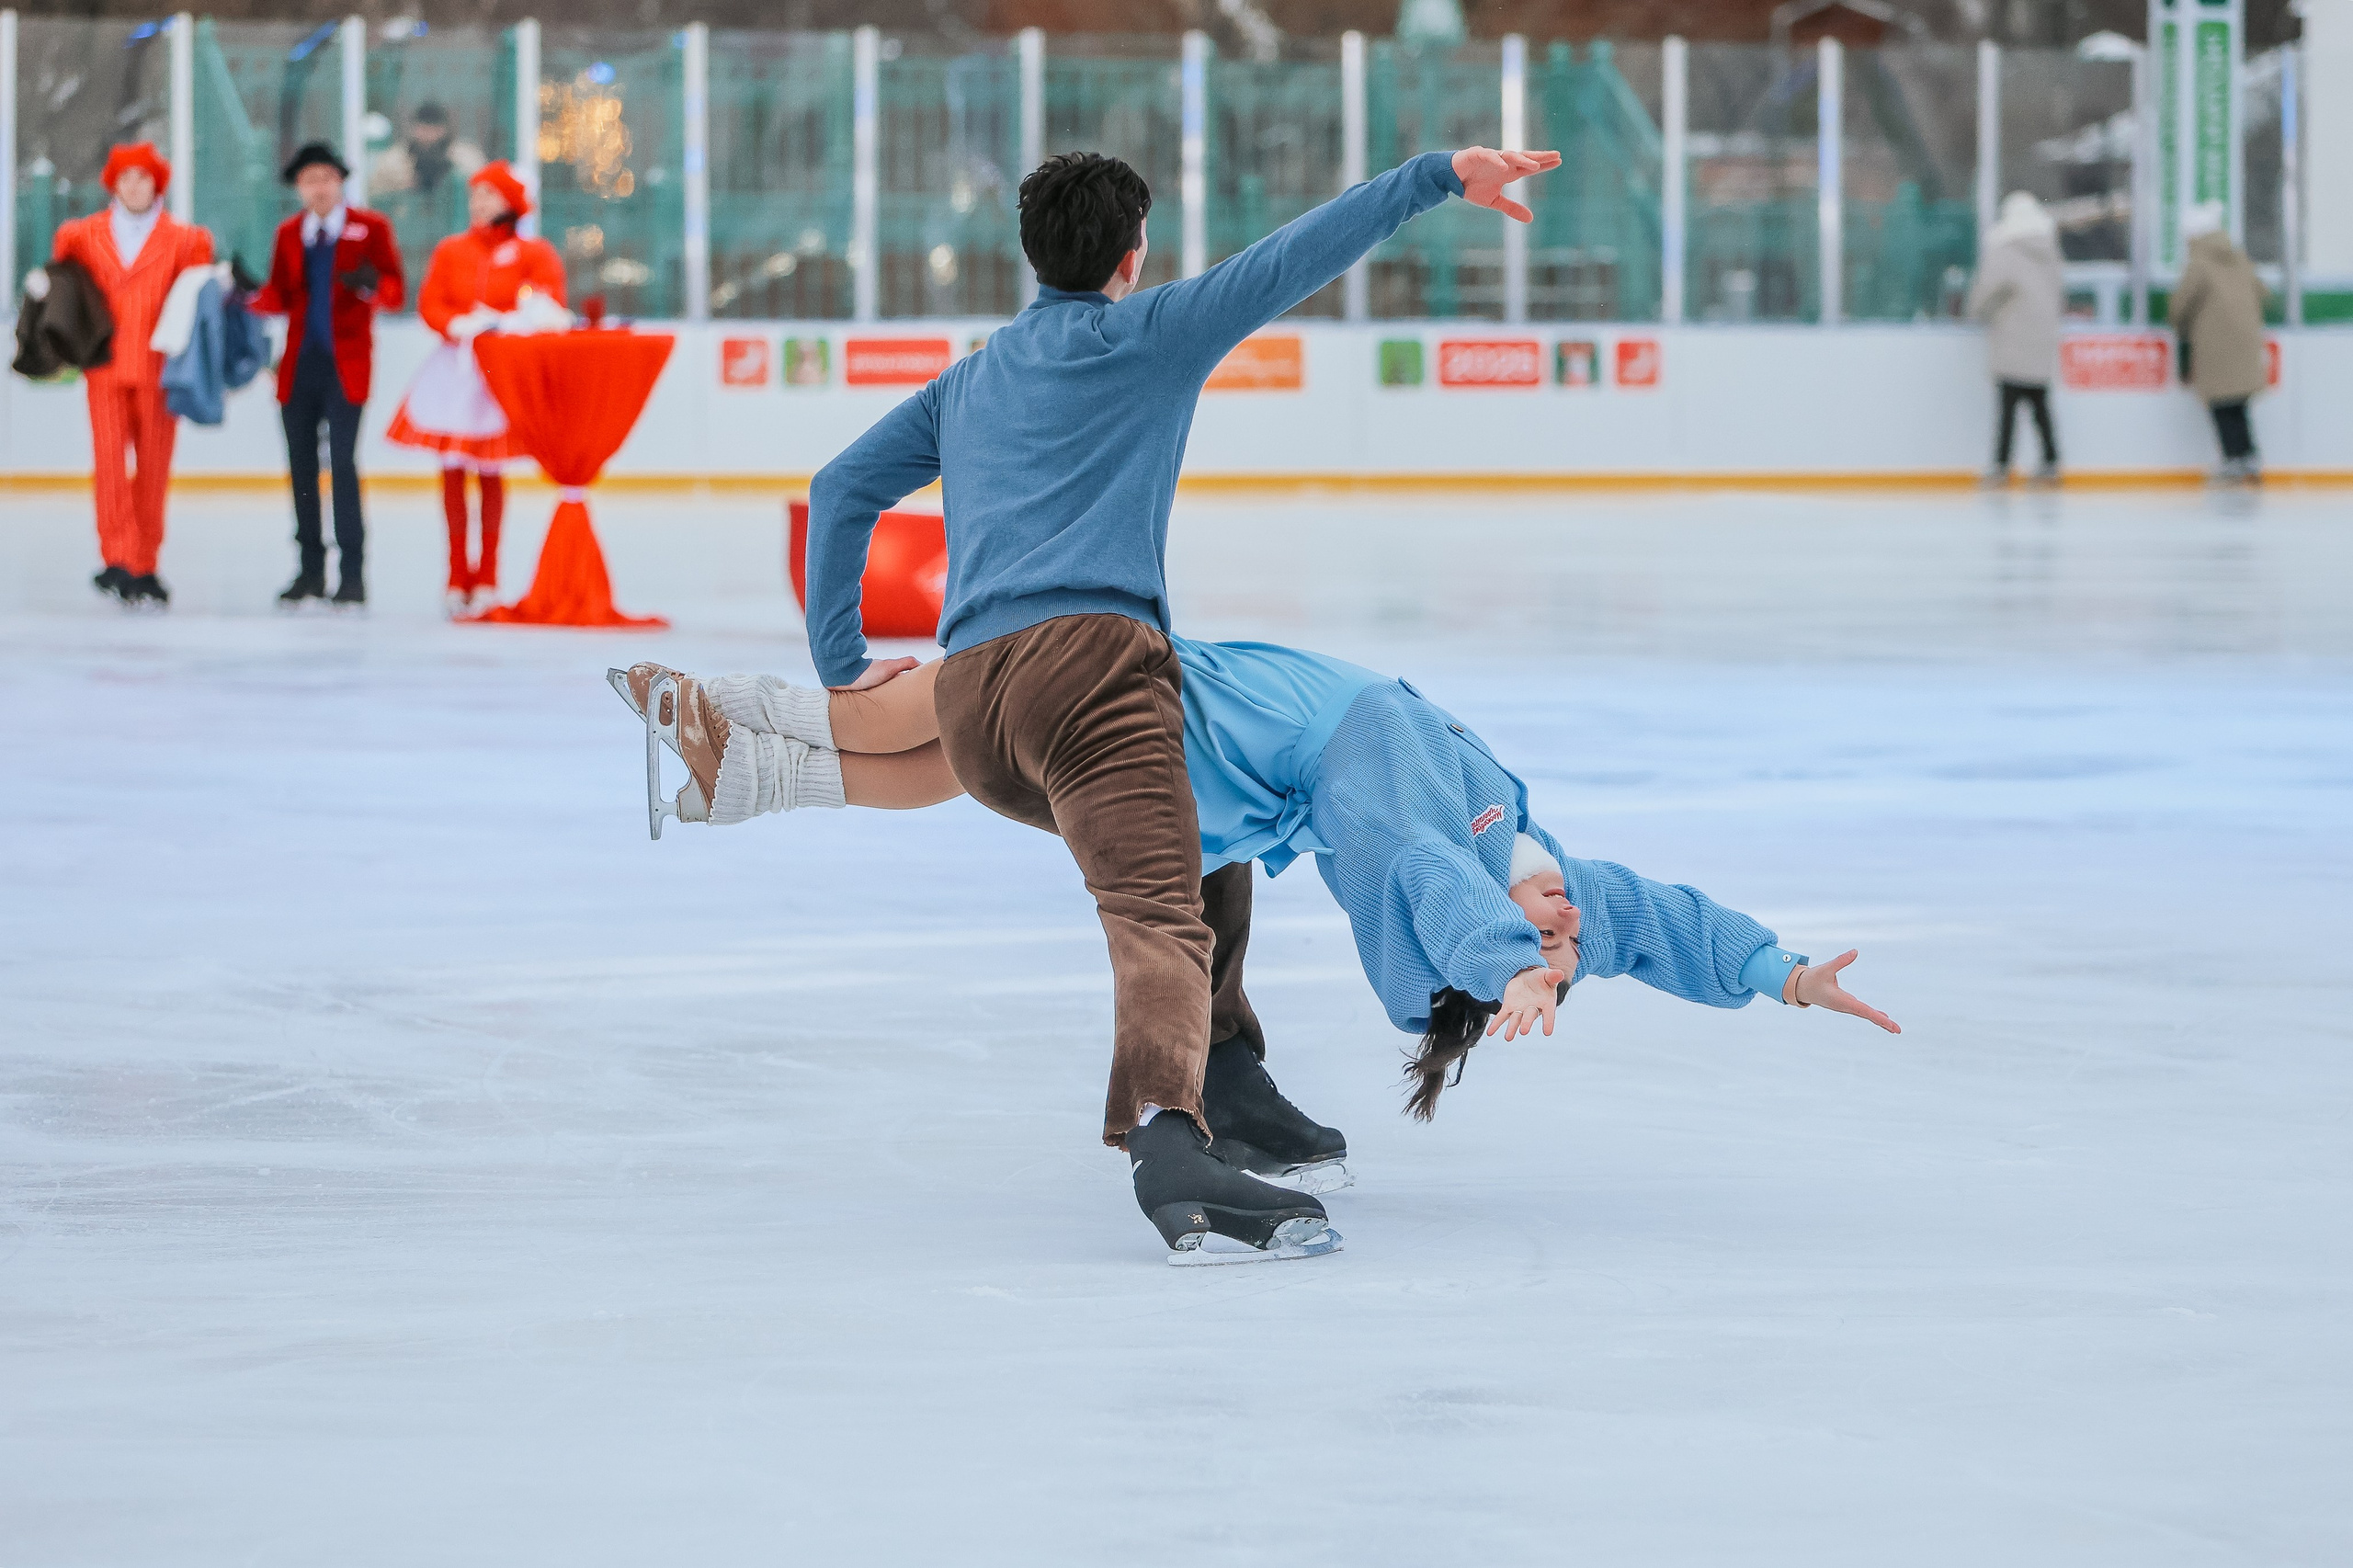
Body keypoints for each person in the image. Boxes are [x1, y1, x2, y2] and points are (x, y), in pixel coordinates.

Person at [795, 143, 1561, 1263]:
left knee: (1211, 799)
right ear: (1132, 251)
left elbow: (837, 487)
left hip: (973, 704)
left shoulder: (971, 377)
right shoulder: (1147, 332)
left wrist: (840, 655)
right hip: (1093, 679)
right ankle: (1169, 1141)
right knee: (1159, 908)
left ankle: (1231, 1075)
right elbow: (1298, 256)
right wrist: (1438, 175)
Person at [605, 644, 1900, 1262]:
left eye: (1552, 937)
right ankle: (747, 777)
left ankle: (741, 715)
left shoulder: (1421, 797)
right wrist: (1781, 968)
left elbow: (1418, 864)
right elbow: (1663, 918)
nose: (1570, 924)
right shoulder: (1540, 852)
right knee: (955, 752)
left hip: (1182, 735)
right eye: (1569, 937)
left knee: (966, 707)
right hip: (1215, 778)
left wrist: (1508, 960)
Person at [385, 160, 564, 615]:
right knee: (452, 468)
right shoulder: (451, 250)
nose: (479, 203)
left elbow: (548, 304)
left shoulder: (533, 252)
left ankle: (487, 573)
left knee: (490, 471)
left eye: (489, 194)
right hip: (457, 370)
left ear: (511, 202)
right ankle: (455, 573)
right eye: (475, 195)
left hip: (499, 371)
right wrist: (458, 325)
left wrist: (506, 324)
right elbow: (431, 303)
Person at [48, 142, 213, 608]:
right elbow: (65, 282)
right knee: (109, 467)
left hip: (161, 372)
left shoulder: (185, 240)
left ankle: (145, 561)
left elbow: (197, 306)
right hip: (103, 367)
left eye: (143, 177)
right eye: (125, 177)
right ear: (113, 183)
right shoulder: (82, 235)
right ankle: (117, 556)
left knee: (154, 469)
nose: (134, 185)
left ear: (157, 183)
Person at [248, 142, 405, 609]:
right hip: (299, 366)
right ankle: (310, 570)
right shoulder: (290, 234)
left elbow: (395, 289)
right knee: (300, 467)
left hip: (347, 366)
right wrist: (242, 296)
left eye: (327, 178)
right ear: (299, 187)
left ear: (341, 183)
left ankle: (352, 574)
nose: (319, 188)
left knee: (341, 463)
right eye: (309, 180)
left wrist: (371, 285)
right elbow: (279, 294)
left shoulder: (370, 228)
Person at [1967, 190, 2064, 487]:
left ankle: (2000, 467)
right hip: (2042, 340)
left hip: (2013, 340)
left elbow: (1986, 290)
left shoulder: (2006, 250)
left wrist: (1973, 311)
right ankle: (2050, 463)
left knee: (2008, 409)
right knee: (2040, 406)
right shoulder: (2050, 251)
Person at [2172, 201, 2270, 484]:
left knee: (2221, 404)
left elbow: (2182, 305)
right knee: (2238, 403)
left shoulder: (2199, 263)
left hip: (2216, 344)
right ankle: (2248, 456)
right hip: (2245, 339)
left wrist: (2177, 319)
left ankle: (2233, 459)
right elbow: (2261, 291)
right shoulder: (2238, 257)